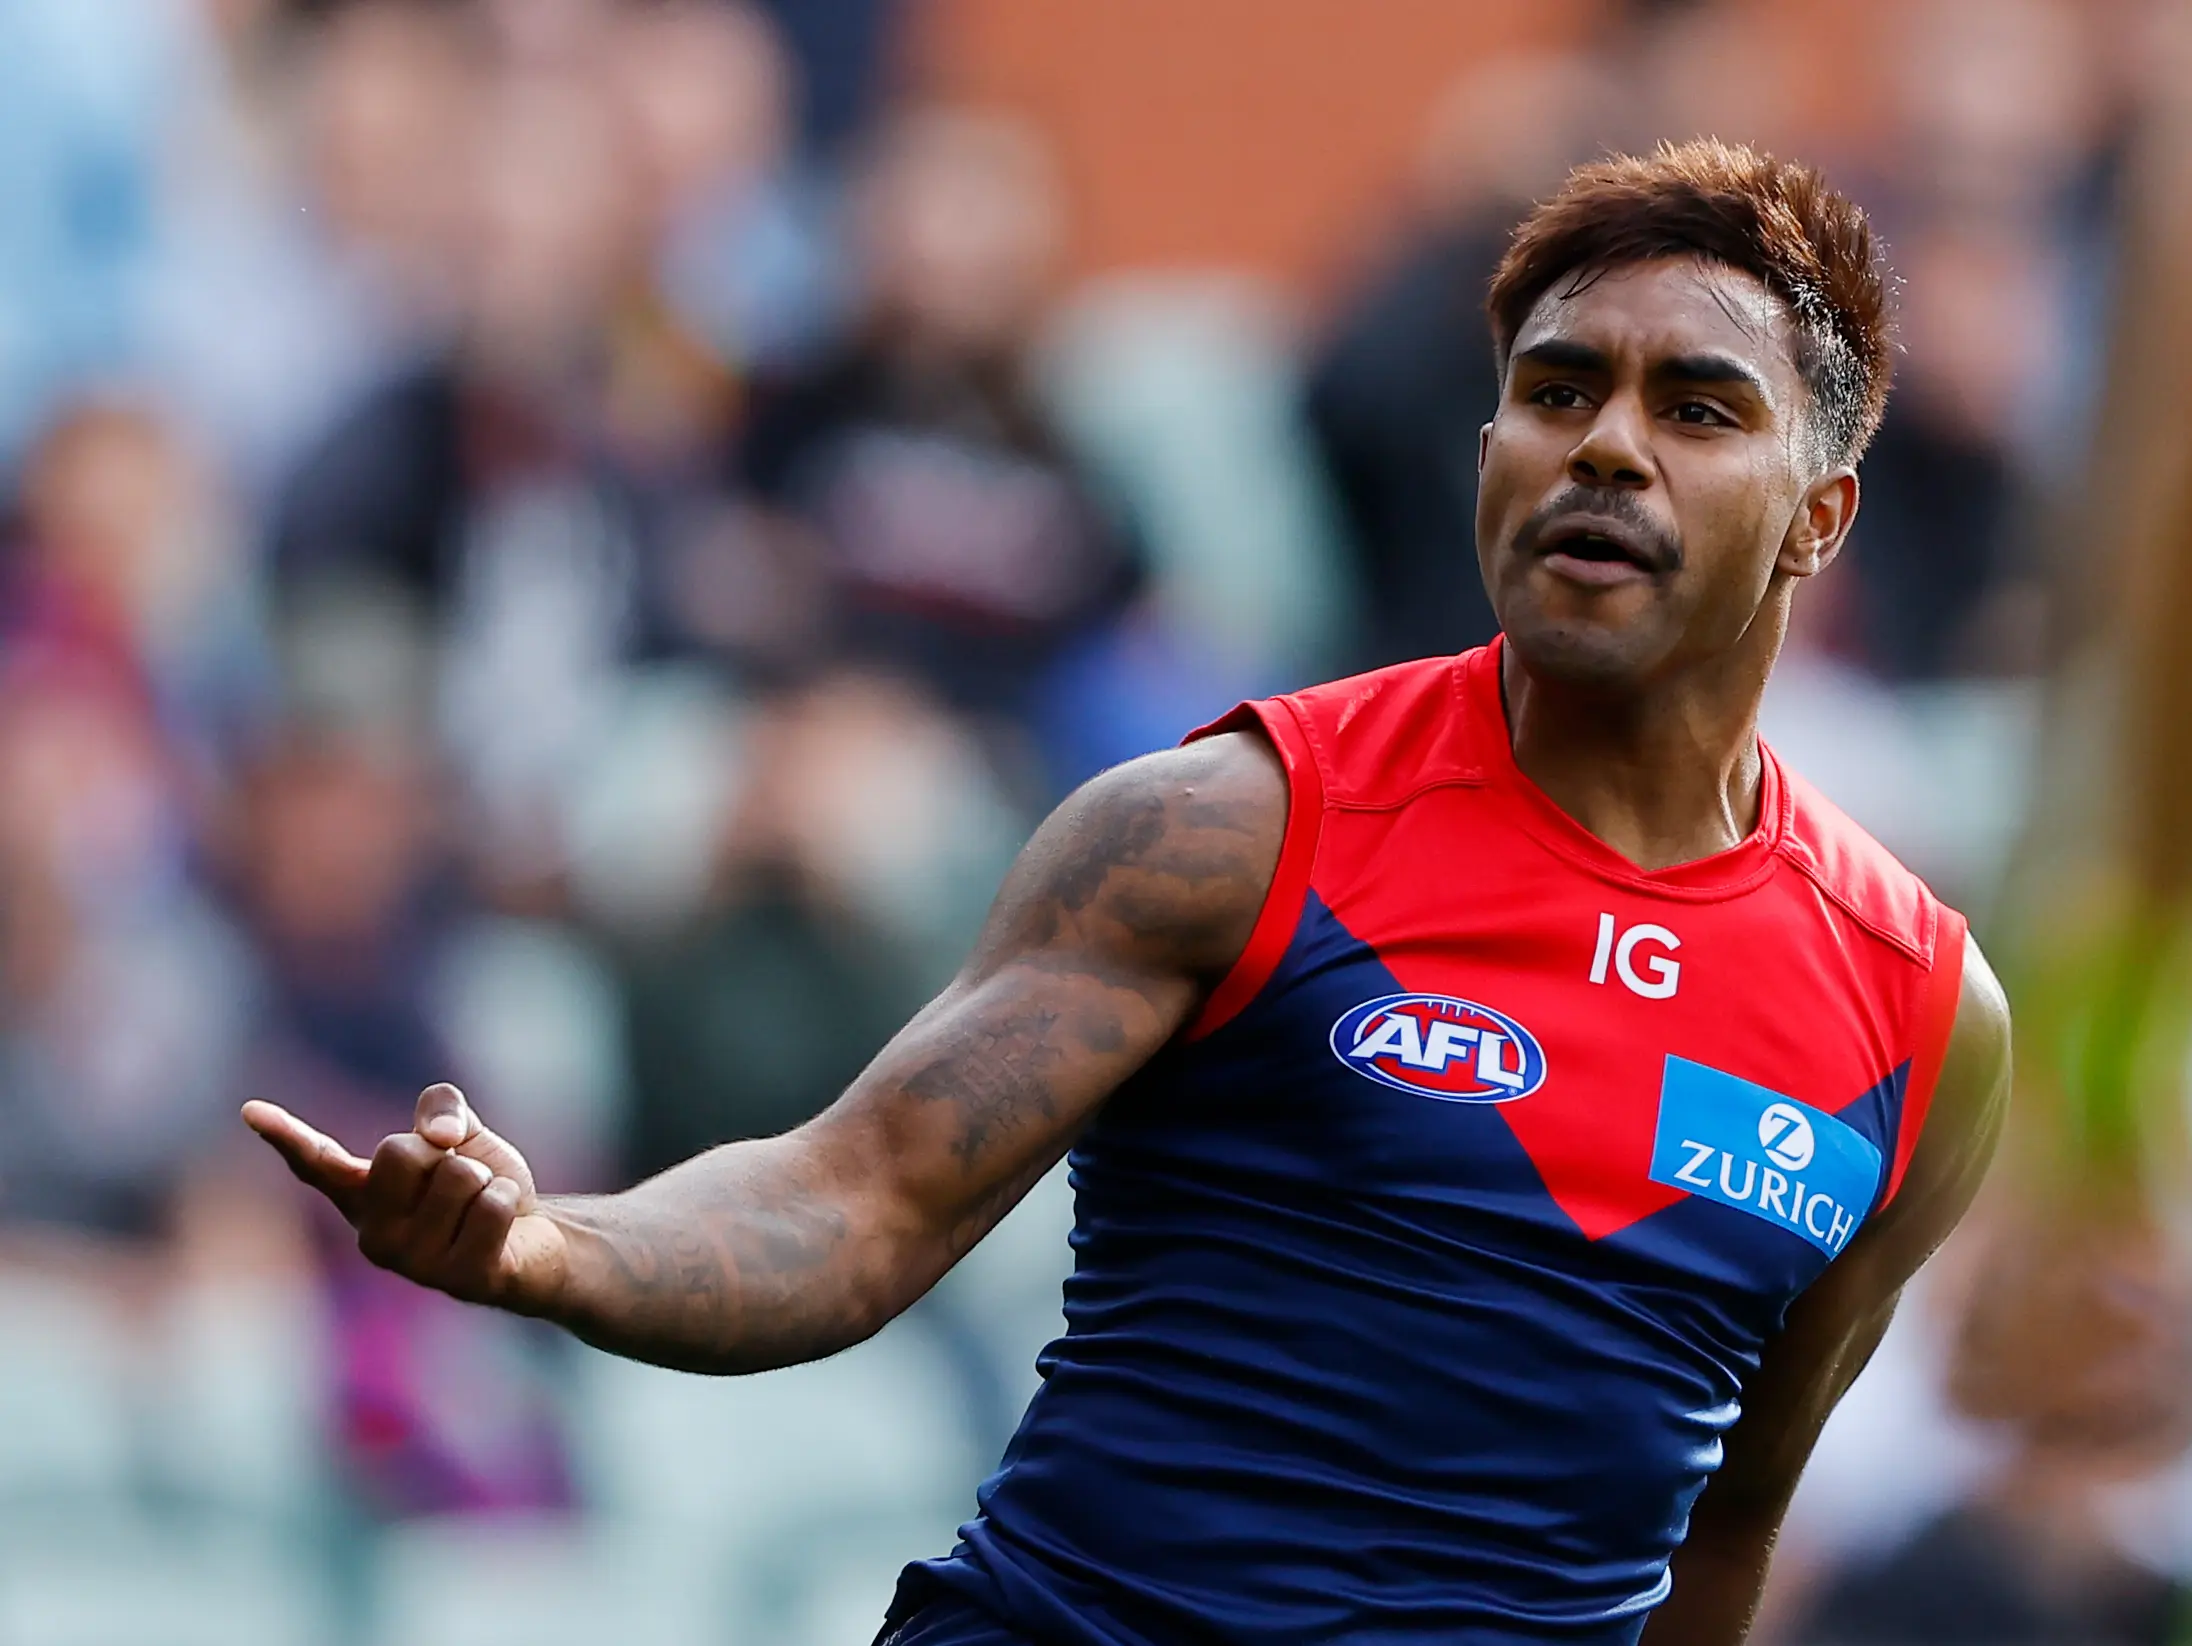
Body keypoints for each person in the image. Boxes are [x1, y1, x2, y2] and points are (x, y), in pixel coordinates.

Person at [243, 140, 2012, 1646]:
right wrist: (552, 1245)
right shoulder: (1237, 825)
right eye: (1557, 391)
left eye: (1696, 408)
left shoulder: (1921, 1019)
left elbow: (1724, 1523)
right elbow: (853, 1200)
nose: (1606, 446)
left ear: (1821, 516)